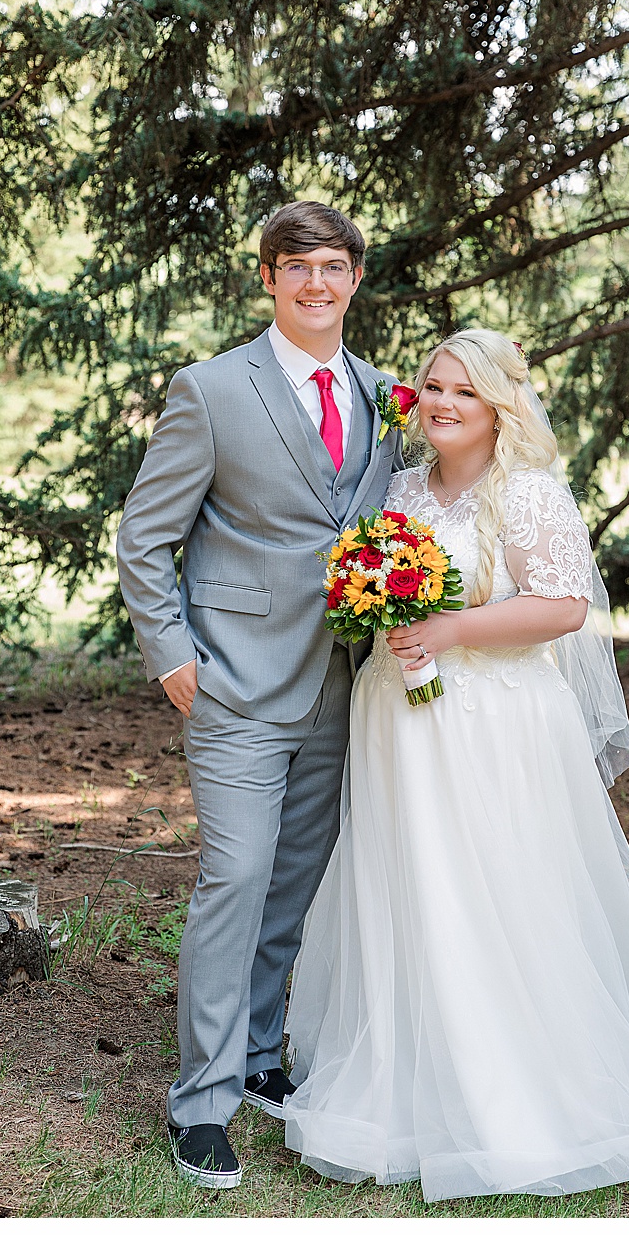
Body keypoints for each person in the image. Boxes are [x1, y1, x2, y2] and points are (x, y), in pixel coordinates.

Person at [282, 329, 629, 1200]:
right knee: (411, 879)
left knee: (496, 880)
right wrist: (375, 605)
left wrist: (447, 629)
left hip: (498, 719)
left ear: (499, 408)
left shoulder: (529, 495)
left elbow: (559, 610)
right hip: (400, 718)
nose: (442, 403)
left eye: (464, 393)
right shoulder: (399, 489)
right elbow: (372, 586)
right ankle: (409, 1052)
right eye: (433, 387)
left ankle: (514, 1064)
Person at [115, 200, 406, 1188]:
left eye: (333, 267)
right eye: (297, 268)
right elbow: (144, 533)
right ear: (271, 279)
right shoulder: (210, 389)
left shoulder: (382, 395)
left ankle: (257, 1057)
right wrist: (173, 657)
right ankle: (199, 1104)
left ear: (355, 278)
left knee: (294, 882)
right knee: (235, 878)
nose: (316, 284)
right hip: (234, 682)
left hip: (342, 680)